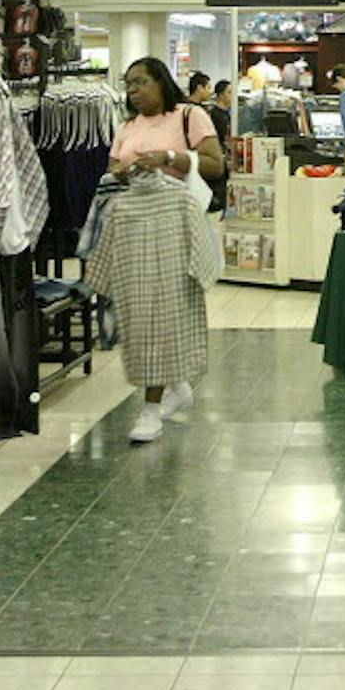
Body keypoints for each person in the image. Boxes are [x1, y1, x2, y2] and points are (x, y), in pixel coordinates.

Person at [105, 57, 225, 444]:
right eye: (128, 84)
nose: (133, 90)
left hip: (175, 223)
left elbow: (215, 165)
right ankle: (174, 384)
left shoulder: (189, 116)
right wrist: (120, 172)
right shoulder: (127, 126)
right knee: (142, 311)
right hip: (134, 225)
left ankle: (151, 406)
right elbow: (113, 167)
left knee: (163, 309)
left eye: (140, 82)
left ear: (161, 81)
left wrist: (169, 158)